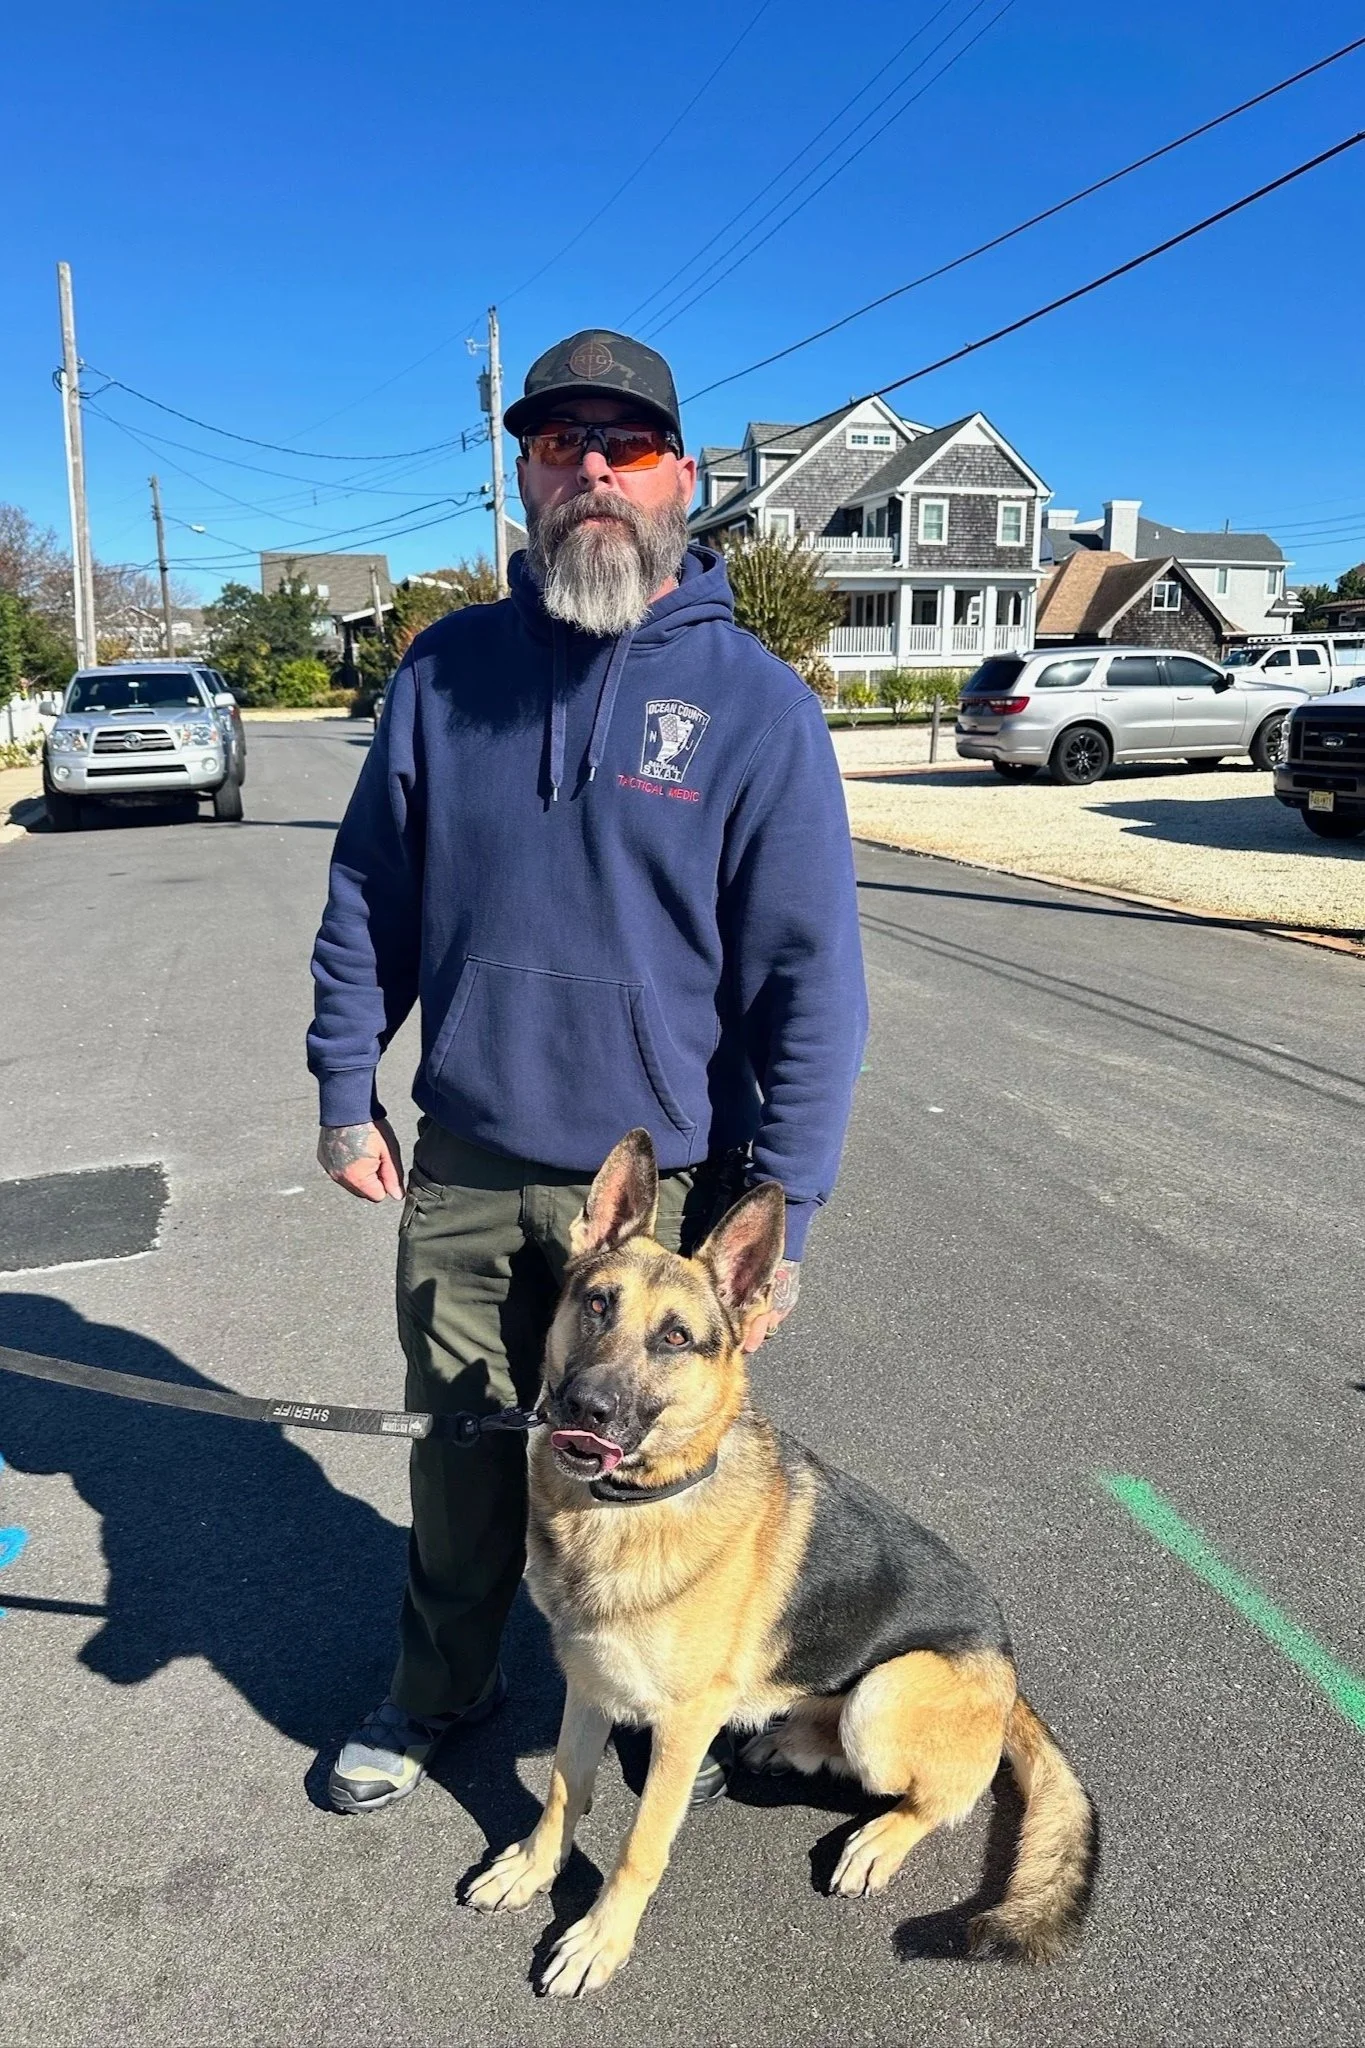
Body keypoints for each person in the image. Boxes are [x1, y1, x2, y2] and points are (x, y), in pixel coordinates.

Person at [308, 328, 867, 1816]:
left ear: (682, 474)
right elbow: (371, 893)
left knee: (630, 1464)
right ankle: (443, 1689)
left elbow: (808, 980)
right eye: (563, 447)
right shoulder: (444, 674)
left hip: (659, 1187)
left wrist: (785, 1202)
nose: (595, 473)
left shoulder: (755, 708)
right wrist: (340, 1080)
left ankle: (635, 1686)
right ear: (526, 477)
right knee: (462, 1460)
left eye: (627, 446)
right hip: (472, 1164)